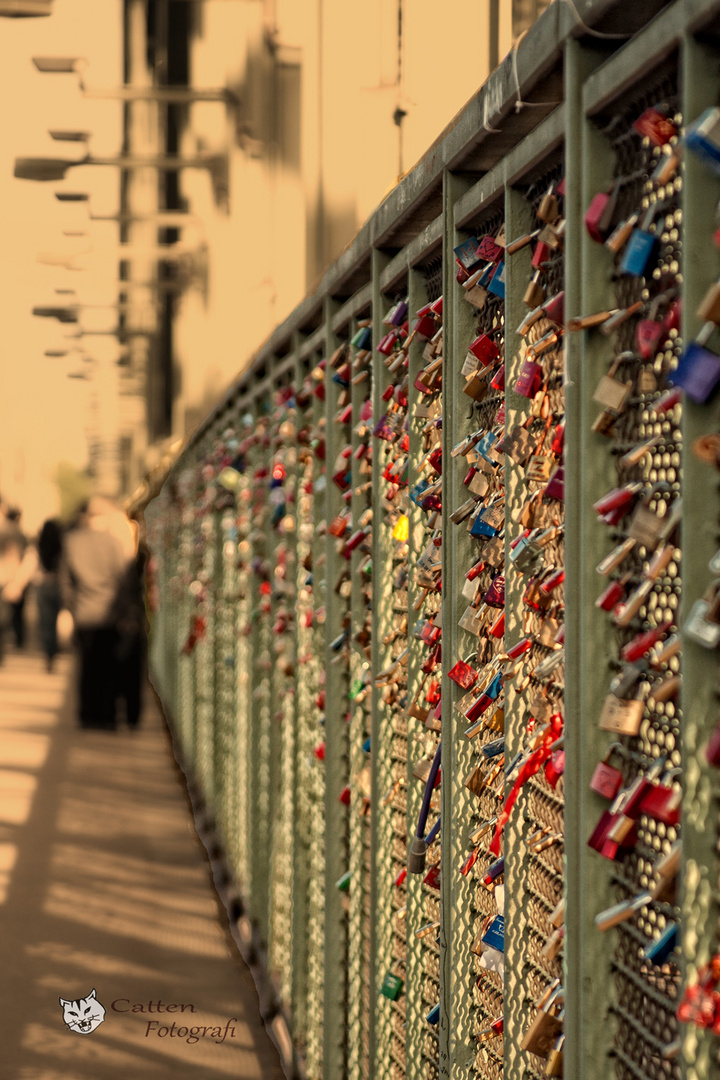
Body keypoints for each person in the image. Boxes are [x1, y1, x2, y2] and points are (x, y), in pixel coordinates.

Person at [60, 500, 127, 730]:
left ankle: (87, 714)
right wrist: (125, 611)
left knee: (86, 666)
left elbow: (66, 581)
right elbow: (123, 579)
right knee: (108, 666)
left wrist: (70, 607)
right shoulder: (114, 543)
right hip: (109, 613)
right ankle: (106, 715)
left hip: (84, 612)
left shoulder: (73, 542)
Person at [35, 519, 64, 671]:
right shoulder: (63, 548)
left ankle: (49, 655)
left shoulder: (38, 548)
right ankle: (57, 649)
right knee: (58, 622)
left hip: (43, 586)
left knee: (46, 624)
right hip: (59, 586)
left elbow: (31, 566)